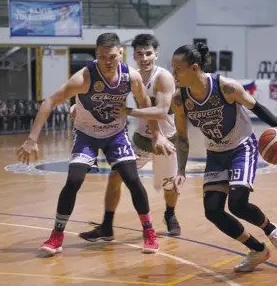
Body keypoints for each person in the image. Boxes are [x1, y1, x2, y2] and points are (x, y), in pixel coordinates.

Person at [17, 33, 175, 255]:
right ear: (96, 54)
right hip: (86, 135)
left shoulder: (131, 76)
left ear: (120, 53)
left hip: (115, 134)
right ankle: (56, 236)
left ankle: (149, 233)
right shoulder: (84, 77)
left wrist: (157, 135)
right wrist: (32, 138)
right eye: (102, 57)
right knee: (74, 180)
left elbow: (144, 102)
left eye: (112, 56)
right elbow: (50, 101)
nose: (108, 62)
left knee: (132, 179)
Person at [170, 43, 277, 272]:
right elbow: (182, 137)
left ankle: (272, 231)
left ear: (194, 68)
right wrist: (180, 170)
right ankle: (258, 250)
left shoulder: (225, 87)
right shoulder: (179, 99)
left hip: (241, 147)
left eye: (177, 69)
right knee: (213, 211)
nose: (173, 74)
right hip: (215, 153)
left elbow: (255, 107)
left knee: (237, 204)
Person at [78, 34, 181, 242]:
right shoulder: (126, 74)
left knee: (169, 186)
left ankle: (170, 214)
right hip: (142, 138)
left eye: (149, 53)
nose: (144, 58)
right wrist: (80, 107)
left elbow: (161, 111)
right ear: (133, 55)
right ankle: (107, 225)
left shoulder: (163, 77)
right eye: (140, 54)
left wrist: (128, 111)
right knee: (116, 176)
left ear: (156, 54)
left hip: (165, 139)